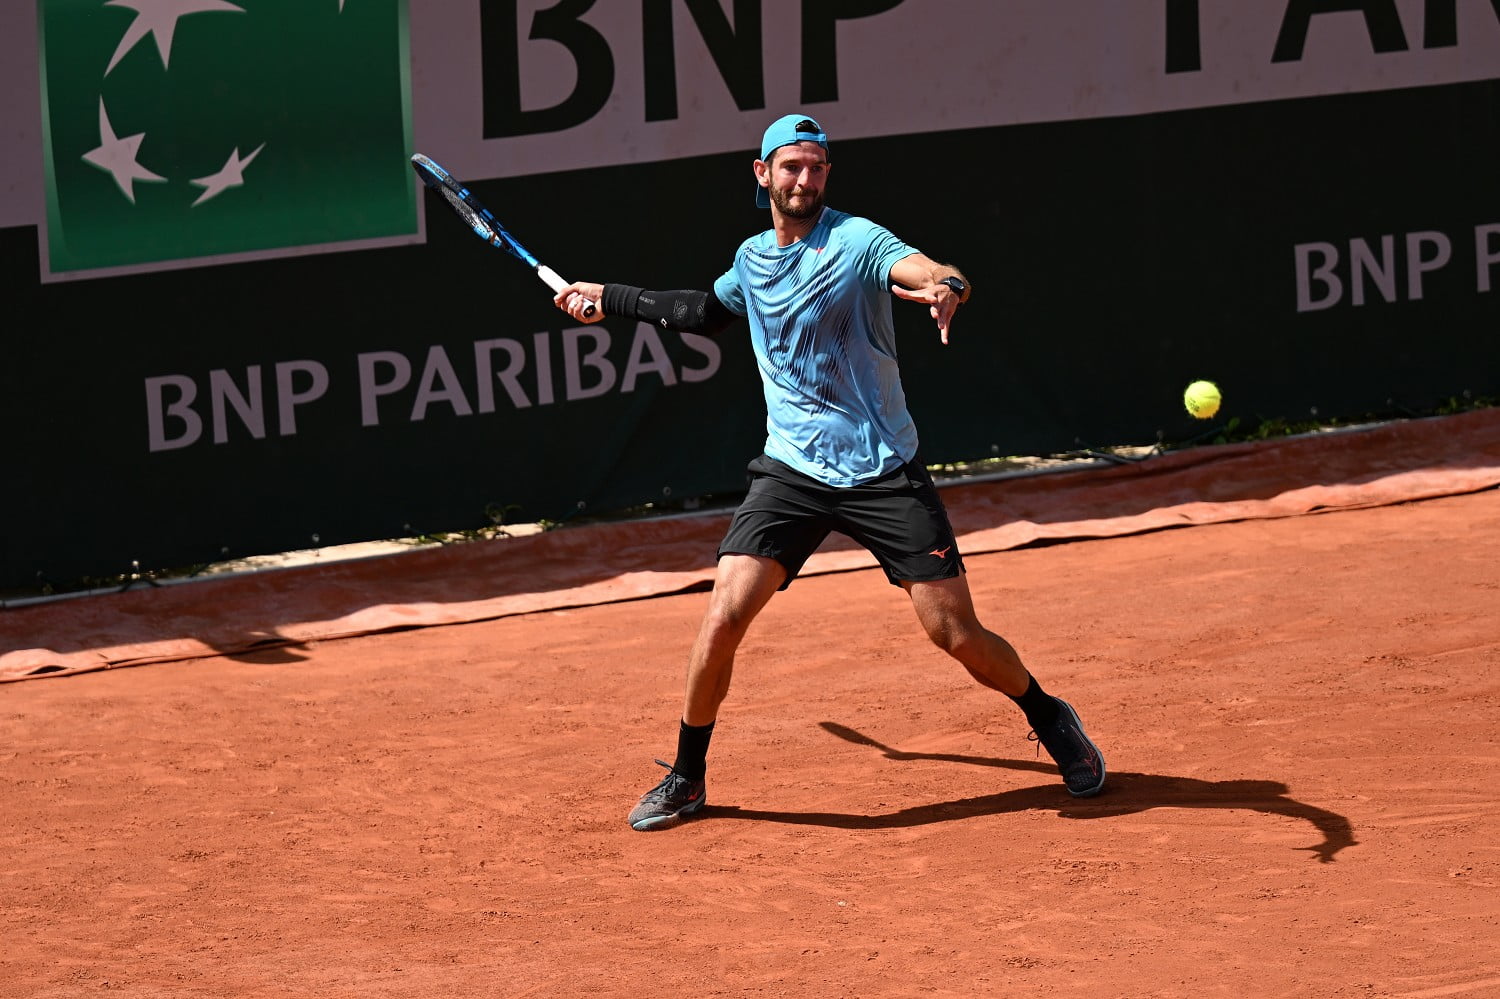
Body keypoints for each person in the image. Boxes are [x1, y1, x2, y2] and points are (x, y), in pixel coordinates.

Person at [552, 113, 1106, 831]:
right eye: (791, 167)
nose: (805, 179)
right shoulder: (751, 260)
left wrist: (948, 285)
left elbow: (925, 268)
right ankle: (688, 775)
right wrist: (609, 296)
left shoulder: (855, 241)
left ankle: (1047, 712)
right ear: (763, 175)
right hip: (792, 473)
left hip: (882, 471)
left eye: (816, 167)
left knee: (956, 632)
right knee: (721, 617)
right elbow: (700, 311)